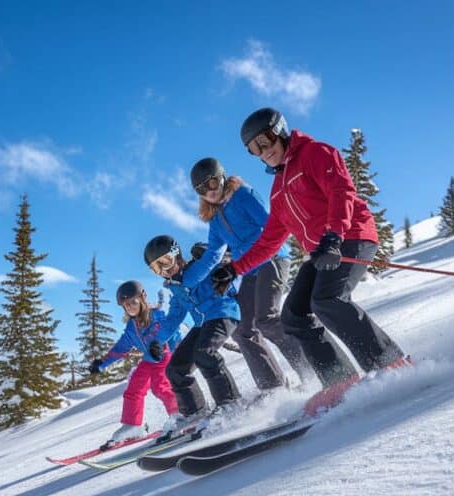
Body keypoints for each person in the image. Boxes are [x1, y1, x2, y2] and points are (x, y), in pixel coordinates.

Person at [211, 107, 408, 389]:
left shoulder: (315, 153)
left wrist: (334, 235)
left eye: (264, 142)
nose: (263, 151)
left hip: (351, 235)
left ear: (279, 131)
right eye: (254, 149)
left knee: (329, 299)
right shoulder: (278, 189)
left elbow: (342, 191)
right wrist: (234, 268)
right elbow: (269, 241)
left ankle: (390, 363)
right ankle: (340, 381)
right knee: (293, 315)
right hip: (322, 251)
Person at [181, 156, 321, 391]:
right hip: (248, 270)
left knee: (266, 318)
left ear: (222, 178)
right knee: (243, 329)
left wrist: (307, 242)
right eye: (202, 189)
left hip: (272, 258)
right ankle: (272, 387)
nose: (209, 191)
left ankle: (313, 372)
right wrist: (186, 280)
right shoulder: (214, 220)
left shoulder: (243, 196)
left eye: (212, 183)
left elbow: (272, 226)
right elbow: (213, 255)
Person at [143, 235, 243, 423]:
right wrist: (157, 341)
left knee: (205, 353)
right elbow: (173, 317)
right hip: (203, 324)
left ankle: (231, 404)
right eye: (157, 268)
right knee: (175, 369)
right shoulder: (176, 287)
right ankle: (195, 414)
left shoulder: (199, 268)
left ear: (177, 255)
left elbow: (224, 264)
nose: (164, 270)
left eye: (166, 262)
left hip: (223, 312)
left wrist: (224, 266)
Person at [89, 280, 184, 448]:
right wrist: (102, 364)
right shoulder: (131, 327)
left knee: (160, 387)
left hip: (164, 357)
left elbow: (172, 329)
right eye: (126, 305)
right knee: (133, 389)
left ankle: (179, 415)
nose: (131, 307)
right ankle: (133, 425)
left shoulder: (157, 315)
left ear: (142, 298)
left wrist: (174, 347)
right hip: (147, 361)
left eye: (133, 302)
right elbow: (120, 348)